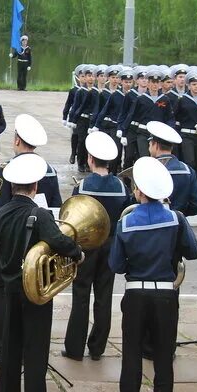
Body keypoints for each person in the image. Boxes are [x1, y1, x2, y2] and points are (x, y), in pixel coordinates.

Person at [0, 153, 84, 392]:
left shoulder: (1, 214)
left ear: (12, 186)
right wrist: (77, 253)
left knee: (11, 348)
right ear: (35, 186)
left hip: (11, 290)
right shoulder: (40, 214)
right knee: (35, 350)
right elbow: (59, 242)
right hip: (36, 294)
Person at [109, 156, 197, 391]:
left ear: (139, 191)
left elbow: (116, 265)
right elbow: (193, 252)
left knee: (131, 354)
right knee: (163, 356)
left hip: (136, 294)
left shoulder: (125, 223)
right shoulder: (176, 218)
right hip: (165, 296)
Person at [0, 113, 59, 367]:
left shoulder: (7, 168)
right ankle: (29, 347)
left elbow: (0, 206)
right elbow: (56, 205)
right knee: (35, 289)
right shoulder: (50, 170)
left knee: (0, 289)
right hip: (40, 240)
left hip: (9, 237)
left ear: (16, 140)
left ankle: (2, 347)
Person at [63, 131, 131, 362]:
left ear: (91, 159)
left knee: (80, 296)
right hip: (111, 246)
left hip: (86, 247)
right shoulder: (122, 187)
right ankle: (97, 348)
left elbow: (70, 218)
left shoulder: (82, 186)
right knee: (104, 296)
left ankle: (74, 348)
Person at [146, 121, 197, 216]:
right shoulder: (187, 170)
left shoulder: (147, 169)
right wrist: (178, 214)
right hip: (177, 225)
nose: (149, 148)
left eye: (149, 145)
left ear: (155, 145)